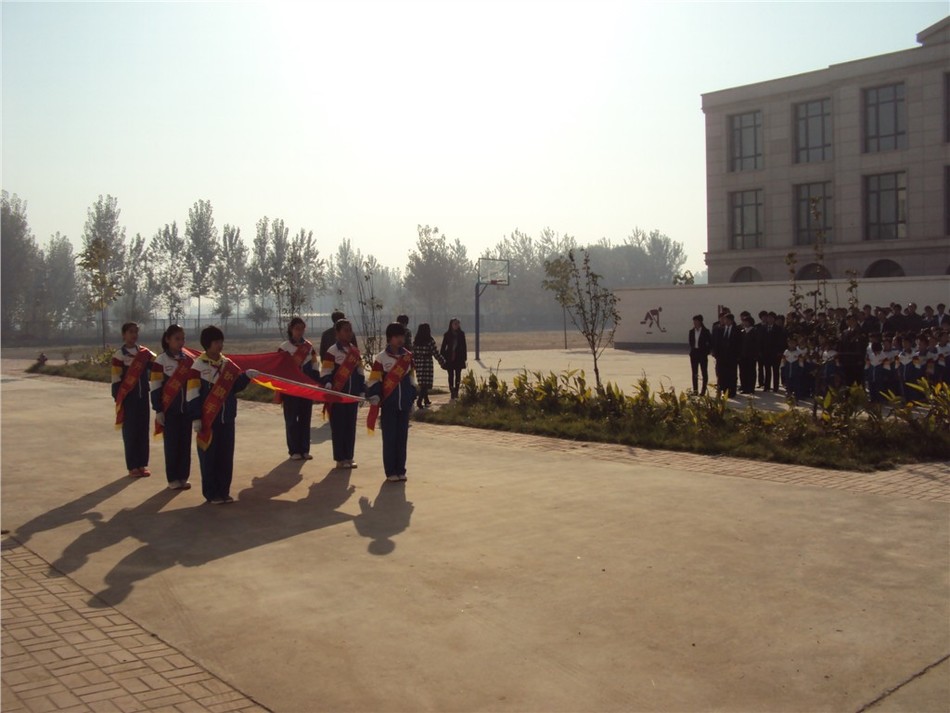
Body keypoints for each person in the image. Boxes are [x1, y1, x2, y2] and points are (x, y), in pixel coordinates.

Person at [189, 325, 251, 504]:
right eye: (216, 342)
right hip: (209, 420)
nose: (220, 345)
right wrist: (196, 417)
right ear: (207, 344)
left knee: (225, 456)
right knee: (209, 458)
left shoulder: (227, 365)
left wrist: (246, 377)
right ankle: (211, 493)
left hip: (227, 419)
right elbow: (192, 393)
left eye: (221, 341)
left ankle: (224, 491)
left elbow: (235, 387)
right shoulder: (198, 366)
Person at [366, 322, 417, 482]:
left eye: (402, 336)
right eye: (396, 336)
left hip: (404, 405)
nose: (400, 339)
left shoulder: (407, 357)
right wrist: (374, 395)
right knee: (390, 439)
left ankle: (401, 470)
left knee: (402, 439)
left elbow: (411, 378)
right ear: (389, 338)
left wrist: (412, 396)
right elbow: (374, 380)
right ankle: (390, 472)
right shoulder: (381, 358)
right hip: (389, 404)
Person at [150, 324, 197, 490]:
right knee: (171, 446)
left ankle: (183, 476)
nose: (181, 342)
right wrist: (158, 409)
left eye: (183, 338)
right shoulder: (160, 361)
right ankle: (172, 478)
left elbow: (194, 386)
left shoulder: (189, 361)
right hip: (170, 411)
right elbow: (155, 387)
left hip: (186, 410)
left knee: (185, 444)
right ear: (167, 339)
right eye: (177, 339)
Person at [320, 319, 365, 469]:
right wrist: (327, 382)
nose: (348, 333)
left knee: (350, 426)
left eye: (350, 330)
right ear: (337, 333)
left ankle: (349, 456)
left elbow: (360, 371)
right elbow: (326, 371)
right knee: (338, 426)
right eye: (345, 330)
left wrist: (362, 389)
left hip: (352, 395)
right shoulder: (332, 351)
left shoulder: (355, 352)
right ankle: (340, 458)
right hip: (338, 394)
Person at [111, 322, 155, 478]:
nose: (134, 335)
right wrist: (119, 398)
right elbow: (116, 379)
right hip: (128, 399)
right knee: (130, 433)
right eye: (130, 332)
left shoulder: (144, 353)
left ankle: (142, 464)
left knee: (143, 431)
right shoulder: (119, 355)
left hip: (143, 398)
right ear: (124, 334)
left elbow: (158, 366)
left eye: (136, 332)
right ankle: (132, 466)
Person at [279, 317, 317, 461]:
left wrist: (316, 383)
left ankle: (304, 449)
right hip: (290, 388)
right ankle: (294, 450)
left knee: (305, 418)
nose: (299, 332)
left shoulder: (309, 347)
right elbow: (280, 367)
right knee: (291, 419)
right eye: (297, 329)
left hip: (306, 388)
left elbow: (314, 366)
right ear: (291, 329)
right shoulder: (284, 347)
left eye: (302, 328)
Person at [411, 322, 439, 408]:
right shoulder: (430, 341)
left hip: (418, 363)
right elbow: (435, 353)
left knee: (422, 382)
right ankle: (420, 401)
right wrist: (443, 362)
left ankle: (426, 399)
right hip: (427, 363)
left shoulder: (416, 341)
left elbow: (413, 353)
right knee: (425, 383)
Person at [440, 318, 467, 400]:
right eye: (455, 324)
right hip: (449, 357)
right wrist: (442, 357)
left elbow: (464, 346)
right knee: (450, 375)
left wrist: (464, 357)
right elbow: (443, 347)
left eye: (458, 324)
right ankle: (452, 390)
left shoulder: (461, 334)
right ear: (451, 325)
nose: (456, 325)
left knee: (458, 375)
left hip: (459, 357)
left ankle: (456, 391)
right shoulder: (447, 334)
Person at [715, 313, 740, 398]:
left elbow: (739, 344)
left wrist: (737, 356)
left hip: (732, 357)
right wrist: (716, 353)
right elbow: (717, 343)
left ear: (731, 320)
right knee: (722, 374)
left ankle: (732, 392)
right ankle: (724, 390)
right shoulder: (720, 329)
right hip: (721, 357)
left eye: (727, 320)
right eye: (724, 319)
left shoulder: (736, 330)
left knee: (731, 375)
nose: (725, 321)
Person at [687, 314, 711, 395]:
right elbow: (691, 342)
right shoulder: (691, 331)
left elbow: (710, 343)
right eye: (694, 321)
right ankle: (695, 390)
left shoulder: (706, 331)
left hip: (702, 354)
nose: (695, 323)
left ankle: (703, 390)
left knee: (704, 372)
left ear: (700, 322)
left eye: (696, 321)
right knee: (694, 373)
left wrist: (706, 352)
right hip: (694, 354)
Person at [738, 314, 757, 395]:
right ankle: (744, 387)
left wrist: (755, 354)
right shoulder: (742, 331)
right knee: (743, 372)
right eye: (743, 321)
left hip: (751, 355)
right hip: (743, 355)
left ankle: (751, 388)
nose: (744, 323)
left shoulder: (754, 331)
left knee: (751, 372)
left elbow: (757, 344)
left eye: (746, 322)